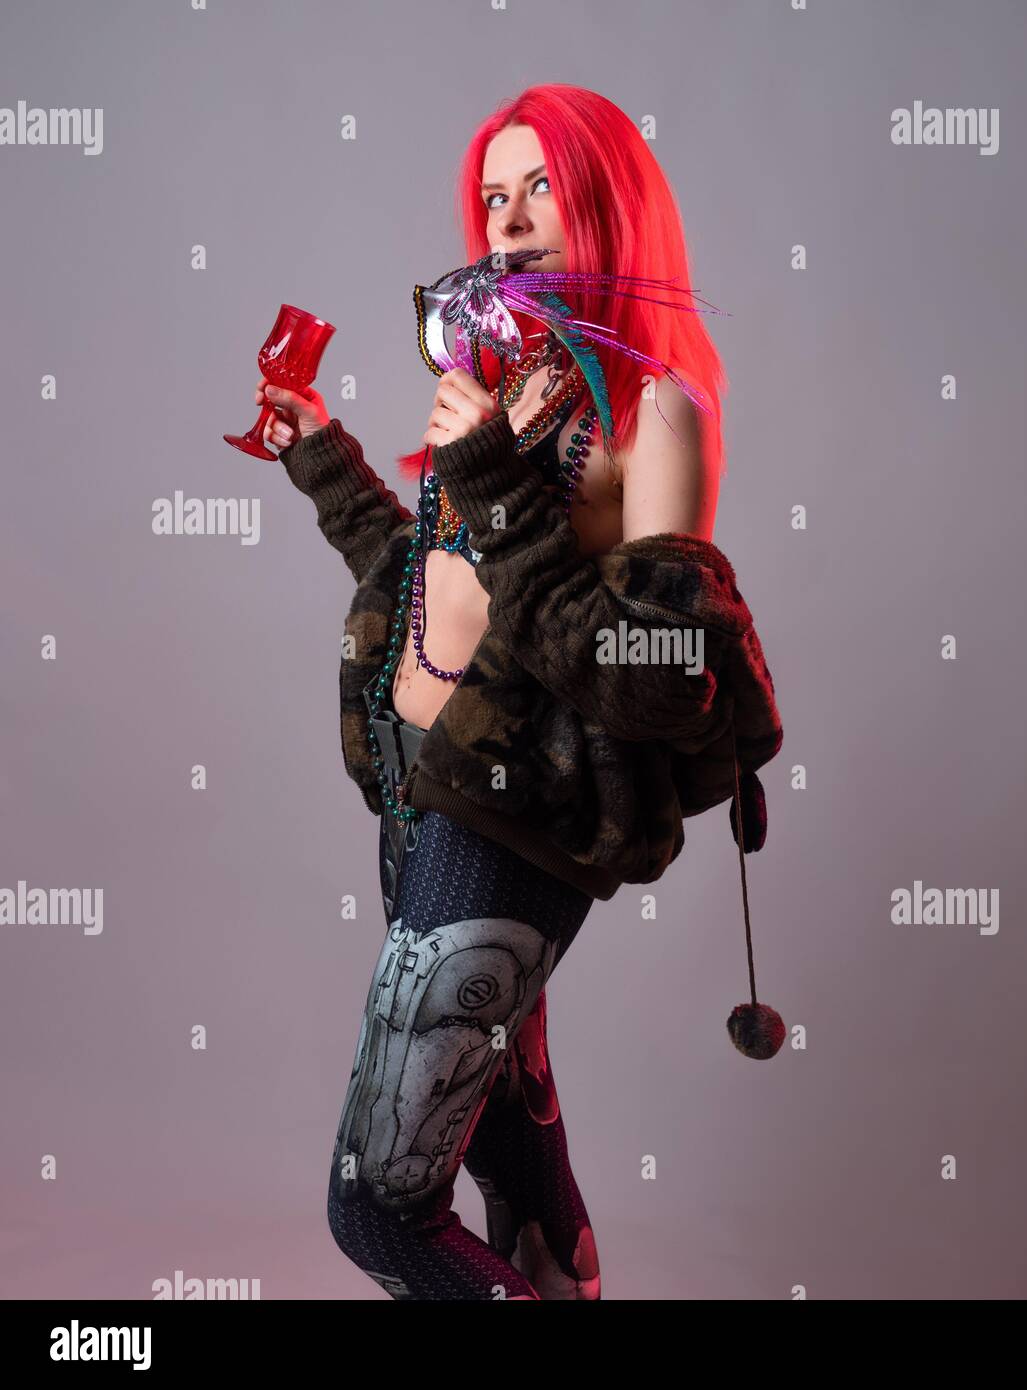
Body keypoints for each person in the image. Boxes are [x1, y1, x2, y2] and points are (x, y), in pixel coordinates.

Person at [258, 84, 782, 1301]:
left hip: (512, 826)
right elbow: (441, 580)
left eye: (540, 184)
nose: (508, 216)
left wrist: (489, 472)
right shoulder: (522, 374)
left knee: (378, 1210)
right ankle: (557, 1261)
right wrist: (323, 452)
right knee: (501, 1134)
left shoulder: (658, 410)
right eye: (493, 195)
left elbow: (658, 676)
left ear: (605, 198)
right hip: (418, 790)